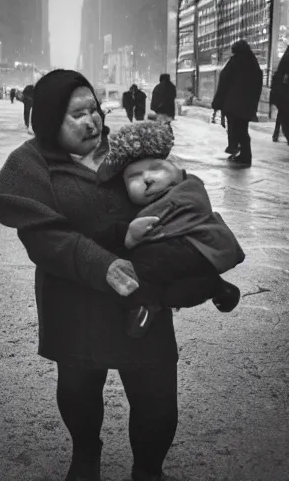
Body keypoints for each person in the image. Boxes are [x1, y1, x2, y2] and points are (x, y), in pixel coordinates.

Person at [0, 69, 223, 481]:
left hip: (141, 296)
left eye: (93, 109)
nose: (92, 120)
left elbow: (173, 189)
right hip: (75, 299)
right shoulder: (30, 164)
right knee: (79, 390)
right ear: (47, 120)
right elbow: (44, 238)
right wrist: (106, 261)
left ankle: (149, 470)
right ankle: (85, 456)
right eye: (76, 114)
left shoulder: (126, 150)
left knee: (157, 397)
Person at [94, 120, 245, 338]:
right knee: (173, 280)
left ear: (175, 171)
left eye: (156, 169)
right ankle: (217, 287)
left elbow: (173, 215)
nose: (146, 180)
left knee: (143, 265)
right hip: (194, 256)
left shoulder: (186, 188)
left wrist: (130, 234)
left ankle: (145, 305)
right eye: (133, 177)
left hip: (197, 245)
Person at [212, 39, 263, 168]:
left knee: (234, 128)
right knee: (243, 129)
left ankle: (238, 151)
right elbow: (257, 85)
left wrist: (217, 103)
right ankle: (244, 154)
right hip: (247, 104)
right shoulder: (253, 62)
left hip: (233, 103)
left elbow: (223, 82)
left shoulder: (234, 62)